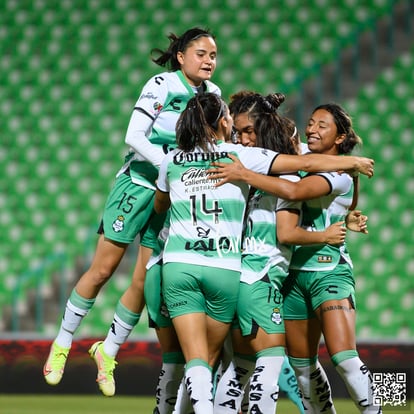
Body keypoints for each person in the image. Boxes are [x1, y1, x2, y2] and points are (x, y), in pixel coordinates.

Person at [153, 93, 374, 414]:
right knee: (301, 366)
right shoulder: (288, 157)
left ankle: (381, 407)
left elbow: (300, 192)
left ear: (340, 137)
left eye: (321, 126)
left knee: (344, 356)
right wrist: (344, 216)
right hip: (288, 277)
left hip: (328, 270)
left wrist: (341, 216)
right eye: (310, 123)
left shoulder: (334, 170)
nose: (311, 129)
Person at [43, 27, 221, 397]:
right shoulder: (161, 84)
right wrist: (169, 167)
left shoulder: (214, 96)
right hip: (138, 185)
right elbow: (134, 136)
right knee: (103, 269)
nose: (208, 61)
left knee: (144, 281)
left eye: (213, 55)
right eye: (201, 53)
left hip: (172, 196)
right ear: (181, 57)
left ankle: (106, 352)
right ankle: (61, 345)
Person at [213, 92, 342, 414]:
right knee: (280, 360)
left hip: (243, 273)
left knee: (240, 365)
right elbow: (287, 229)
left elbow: (310, 161)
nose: (241, 140)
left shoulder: (263, 173)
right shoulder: (279, 176)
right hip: (265, 273)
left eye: (248, 132)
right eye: (237, 132)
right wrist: (325, 234)